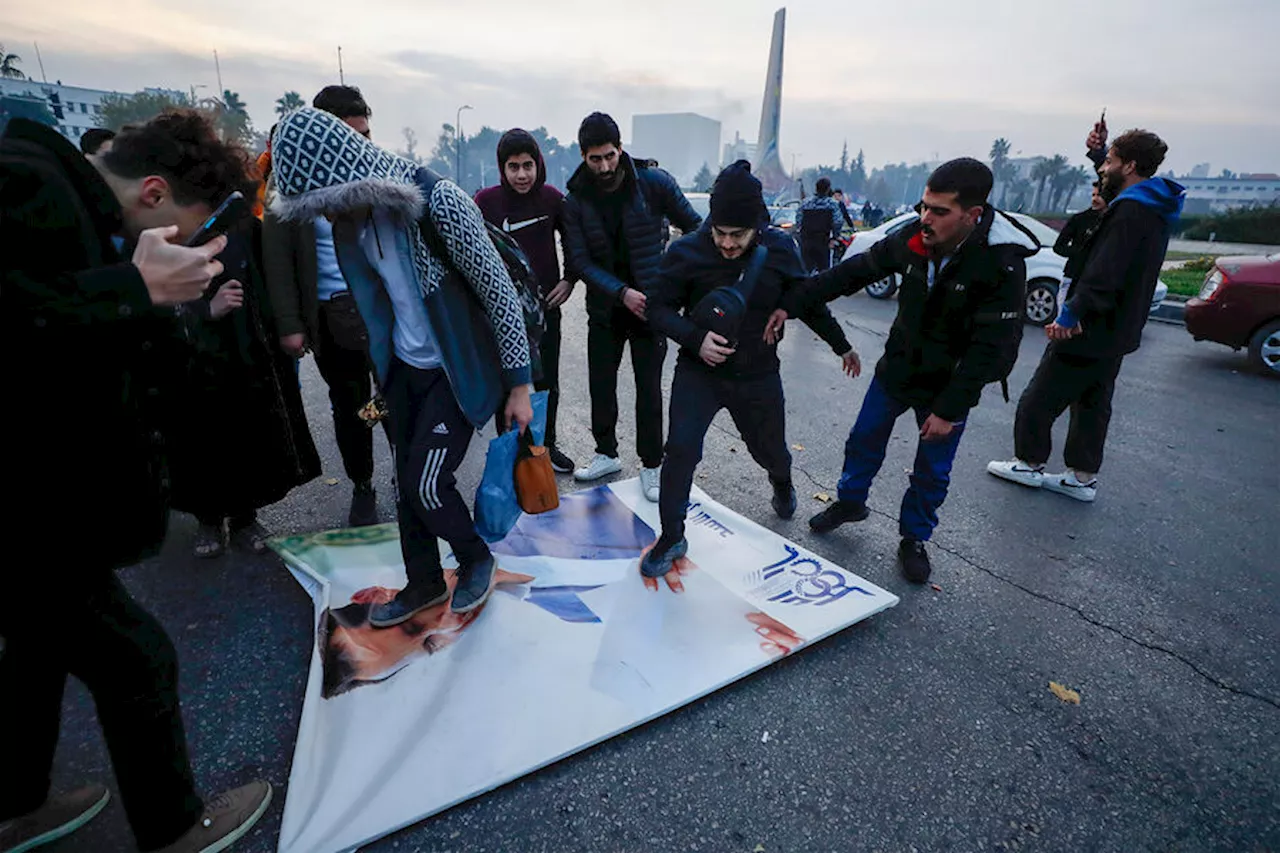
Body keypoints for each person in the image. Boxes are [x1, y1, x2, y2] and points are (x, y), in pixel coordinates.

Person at [1, 112, 272, 853]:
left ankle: (17, 804)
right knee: (135, 657)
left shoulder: (79, 211)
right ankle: (175, 828)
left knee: (33, 649)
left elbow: (94, 335)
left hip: (34, 500)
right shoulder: (28, 180)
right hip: (23, 504)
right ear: (152, 193)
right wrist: (132, 285)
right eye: (185, 233)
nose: (184, 251)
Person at [269, 107, 534, 626]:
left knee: (428, 482)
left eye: (328, 203)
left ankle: (476, 558)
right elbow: (380, 305)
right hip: (402, 372)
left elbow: (498, 293)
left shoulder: (439, 203)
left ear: (348, 179)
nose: (326, 217)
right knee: (403, 485)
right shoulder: (354, 225)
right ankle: (425, 583)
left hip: (456, 369)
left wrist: (519, 384)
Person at [788, 158, 1036, 583]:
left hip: (948, 387)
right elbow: (852, 273)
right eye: (924, 206)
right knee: (863, 440)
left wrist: (950, 408)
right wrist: (788, 301)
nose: (926, 218)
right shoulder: (914, 239)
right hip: (897, 370)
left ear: (972, 216)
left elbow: (993, 351)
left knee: (932, 470)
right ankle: (851, 503)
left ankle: (914, 538)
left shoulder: (1001, 263)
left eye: (939, 212)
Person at [642, 161, 860, 577]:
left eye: (736, 235)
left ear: (757, 227)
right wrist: (695, 339)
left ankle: (781, 481)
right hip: (698, 372)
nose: (726, 244)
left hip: (758, 375)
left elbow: (806, 298)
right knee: (681, 451)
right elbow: (657, 308)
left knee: (770, 451)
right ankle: (671, 536)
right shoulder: (687, 250)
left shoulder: (779, 250)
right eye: (719, 232)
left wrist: (842, 345)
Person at [988, 129, 1183, 502]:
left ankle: (1028, 462)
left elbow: (1106, 268)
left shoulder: (1130, 211)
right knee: (1093, 403)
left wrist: (1071, 312)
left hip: (1091, 325)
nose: (1104, 169)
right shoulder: (1152, 203)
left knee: (1040, 395)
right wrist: (1097, 155)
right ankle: (1082, 476)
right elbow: (1114, 189)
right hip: (1119, 328)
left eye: (1110, 161)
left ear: (1129, 165)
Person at [562, 112, 702, 501]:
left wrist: (672, 277)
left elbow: (696, 229)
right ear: (583, 156)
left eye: (609, 156)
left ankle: (652, 466)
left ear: (620, 149)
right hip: (606, 308)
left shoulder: (654, 183)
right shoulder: (575, 200)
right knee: (601, 386)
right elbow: (580, 261)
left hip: (651, 308)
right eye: (595, 159)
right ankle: (606, 452)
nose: (604, 166)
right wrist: (621, 292)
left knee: (648, 390)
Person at [166, 213, 322, 557]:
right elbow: (154, 288)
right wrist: (203, 311)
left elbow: (272, 274)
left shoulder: (242, 223)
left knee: (247, 425)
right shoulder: (168, 222)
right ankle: (208, 518)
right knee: (198, 433)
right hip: (189, 355)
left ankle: (243, 517)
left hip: (246, 346)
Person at [263, 85, 383, 528]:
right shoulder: (288, 179)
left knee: (398, 397)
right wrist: (291, 324)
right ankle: (363, 483)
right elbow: (277, 259)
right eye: (352, 135)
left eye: (366, 134)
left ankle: (413, 480)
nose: (361, 144)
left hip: (382, 311)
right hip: (332, 317)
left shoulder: (376, 172)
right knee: (351, 407)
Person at [474, 128, 577, 474]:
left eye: (528, 165)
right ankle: (510, 449)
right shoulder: (486, 203)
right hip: (502, 315)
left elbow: (577, 244)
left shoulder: (551, 199)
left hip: (545, 311)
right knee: (507, 386)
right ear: (502, 169)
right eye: (513, 167)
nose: (521, 174)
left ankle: (544, 447)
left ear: (539, 164)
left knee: (548, 383)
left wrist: (569, 279)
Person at [1050, 179, 1106, 315]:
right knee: (1063, 319)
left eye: (1099, 195)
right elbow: (1059, 247)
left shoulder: (1111, 222)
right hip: (1072, 276)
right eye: (1093, 195)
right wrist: (1080, 253)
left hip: (1096, 281)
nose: (1095, 199)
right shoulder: (1079, 219)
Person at [795, 176, 843, 273]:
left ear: (816, 188)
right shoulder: (832, 204)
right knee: (824, 272)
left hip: (806, 241)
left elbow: (798, 220)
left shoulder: (805, 203)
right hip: (823, 241)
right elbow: (837, 222)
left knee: (805, 270)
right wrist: (835, 237)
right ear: (828, 189)